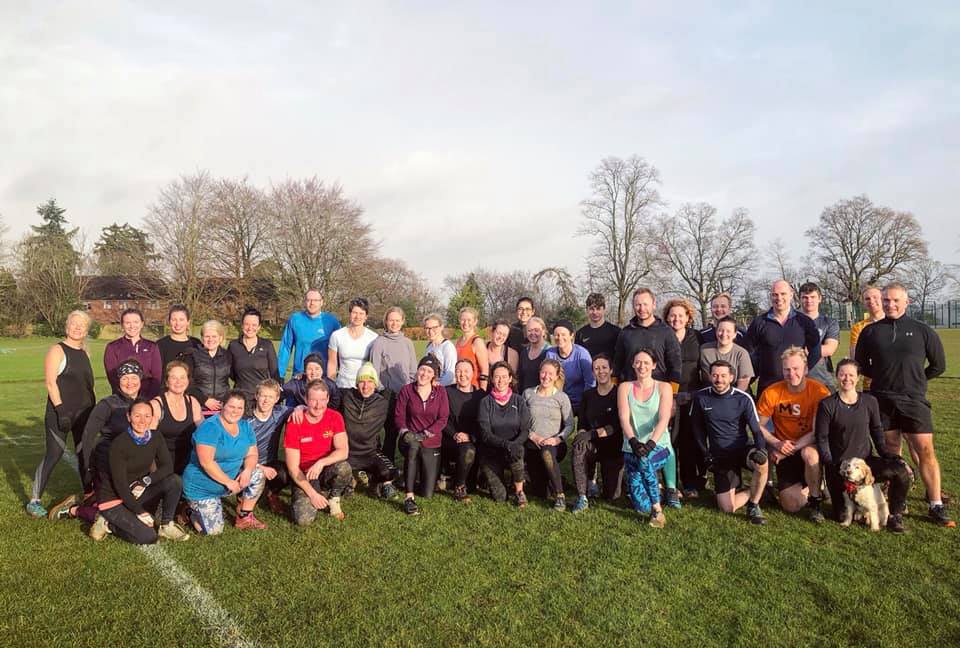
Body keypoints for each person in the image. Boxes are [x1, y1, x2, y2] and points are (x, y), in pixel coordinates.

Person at [854, 281, 952, 527]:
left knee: (925, 450)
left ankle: (935, 504)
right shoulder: (871, 331)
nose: (890, 304)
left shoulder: (922, 330)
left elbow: (939, 365)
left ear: (907, 302)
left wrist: (916, 380)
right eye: (886, 300)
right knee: (891, 451)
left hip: (913, 400)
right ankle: (898, 502)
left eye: (896, 300)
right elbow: (861, 365)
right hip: (882, 400)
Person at [815, 359, 913, 533]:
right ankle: (856, 505)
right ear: (836, 376)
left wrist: (886, 453)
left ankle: (894, 515)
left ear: (858, 377)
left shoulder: (869, 401)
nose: (847, 378)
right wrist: (830, 463)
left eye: (851, 375)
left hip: (865, 464)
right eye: (842, 374)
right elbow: (821, 438)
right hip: (840, 466)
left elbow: (876, 430)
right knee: (841, 516)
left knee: (900, 471)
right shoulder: (827, 404)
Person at [48, 359, 146, 525]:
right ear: (118, 381)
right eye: (125, 378)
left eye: (134, 377)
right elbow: (87, 438)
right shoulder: (107, 405)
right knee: (117, 515)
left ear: (141, 379)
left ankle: (93, 500)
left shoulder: (145, 405)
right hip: (109, 465)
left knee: (139, 507)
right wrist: (88, 472)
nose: (130, 383)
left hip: (134, 467)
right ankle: (74, 509)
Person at [26, 310, 97, 518]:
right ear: (67, 326)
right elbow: (50, 382)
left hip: (84, 414)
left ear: (86, 330)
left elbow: (86, 387)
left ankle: (89, 493)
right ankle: (34, 501)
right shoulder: (57, 350)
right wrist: (61, 411)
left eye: (82, 325)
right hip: (61, 413)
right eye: (74, 324)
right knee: (54, 454)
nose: (77, 328)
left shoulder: (85, 352)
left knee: (85, 454)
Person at [90, 399, 189, 543]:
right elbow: (121, 486)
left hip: (137, 491)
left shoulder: (156, 436)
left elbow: (167, 467)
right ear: (128, 417)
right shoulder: (119, 444)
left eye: (147, 416)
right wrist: (140, 512)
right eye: (137, 416)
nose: (142, 420)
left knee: (174, 481)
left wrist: (145, 481)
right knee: (148, 536)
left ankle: (166, 525)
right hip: (114, 499)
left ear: (152, 418)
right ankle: (108, 523)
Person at [756, 346, 831, 521]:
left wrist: (791, 448)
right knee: (791, 506)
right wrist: (776, 443)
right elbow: (758, 426)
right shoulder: (772, 392)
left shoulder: (819, 392)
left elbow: (816, 431)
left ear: (805, 369)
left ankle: (815, 501)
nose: (792, 374)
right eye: (787, 369)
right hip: (784, 449)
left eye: (796, 369)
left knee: (810, 454)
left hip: (804, 446)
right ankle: (816, 483)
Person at [690, 360, 768, 525]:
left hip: (742, 450)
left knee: (763, 464)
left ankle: (754, 505)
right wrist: (706, 453)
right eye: (715, 375)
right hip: (720, 455)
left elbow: (756, 430)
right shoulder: (700, 397)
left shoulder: (743, 398)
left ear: (732, 377)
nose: (719, 379)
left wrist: (761, 449)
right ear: (710, 376)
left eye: (723, 375)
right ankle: (755, 490)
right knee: (727, 508)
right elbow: (697, 430)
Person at [182, 391, 268, 533]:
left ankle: (244, 516)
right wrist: (228, 482)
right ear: (222, 406)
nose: (235, 411)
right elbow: (206, 462)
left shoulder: (245, 426)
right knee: (213, 531)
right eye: (231, 407)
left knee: (257, 473)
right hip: (202, 487)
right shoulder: (210, 427)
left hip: (230, 482)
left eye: (239, 408)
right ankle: (188, 511)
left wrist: (247, 471)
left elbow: (252, 453)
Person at [617, 349, 675, 527]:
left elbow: (664, 418)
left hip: (659, 446)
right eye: (638, 362)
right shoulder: (625, 387)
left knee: (645, 461)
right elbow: (623, 418)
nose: (642, 366)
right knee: (641, 507)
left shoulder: (664, 387)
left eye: (646, 363)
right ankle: (658, 491)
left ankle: (657, 511)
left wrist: (650, 444)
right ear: (633, 364)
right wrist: (634, 441)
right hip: (631, 447)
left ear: (654, 365)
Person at [284, 380, 352, 524]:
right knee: (304, 520)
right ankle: (315, 493)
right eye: (313, 400)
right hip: (303, 475)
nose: (318, 405)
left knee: (344, 468)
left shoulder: (335, 417)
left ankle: (334, 497)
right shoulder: (295, 422)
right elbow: (292, 468)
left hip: (324, 470)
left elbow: (343, 451)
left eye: (322, 400)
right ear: (306, 400)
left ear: (328, 399)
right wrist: (312, 494)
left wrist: (321, 463)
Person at [744, 280, 821, 396]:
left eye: (783, 294)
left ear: (791, 295)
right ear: (771, 296)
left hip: (796, 386)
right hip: (768, 387)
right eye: (775, 294)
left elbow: (816, 350)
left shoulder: (804, 322)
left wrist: (803, 369)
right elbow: (747, 353)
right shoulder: (759, 323)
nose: (779, 298)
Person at [396, 356, 450, 515]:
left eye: (429, 371)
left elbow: (443, 418)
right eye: (422, 369)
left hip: (431, 441)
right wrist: (405, 432)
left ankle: (409, 476)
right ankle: (409, 497)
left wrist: (426, 434)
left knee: (427, 493)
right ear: (417, 370)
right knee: (413, 447)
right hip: (410, 438)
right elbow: (399, 416)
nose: (424, 374)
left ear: (434, 375)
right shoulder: (407, 389)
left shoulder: (440, 391)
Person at [570, 354, 624, 512]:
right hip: (593, 445)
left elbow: (616, 425)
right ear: (593, 373)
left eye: (604, 368)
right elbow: (582, 423)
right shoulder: (588, 395)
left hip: (613, 447)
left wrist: (591, 434)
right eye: (597, 368)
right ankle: (582, 495)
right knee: (579, 447)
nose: (601, 372)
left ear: (611, 370)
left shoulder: (619, 393)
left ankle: (612, 478)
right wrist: (581, 435)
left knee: (612, 495)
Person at [663, 298, 704, 500]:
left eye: (681, 315)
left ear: (688, 317)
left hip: (692, 396)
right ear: (667, 317)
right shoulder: (661, 336)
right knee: (669, 440)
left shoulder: (697, 337)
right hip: (667, 396)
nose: (676, 319)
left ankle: (689, 483)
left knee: (688, 441)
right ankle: (669, 483)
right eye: (672, 315)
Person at [477, 362, 532, 508]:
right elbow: (485, 434)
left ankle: (519, 491)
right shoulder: (485, 403)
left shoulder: (519, 401)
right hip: (491, 452)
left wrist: (513, 445)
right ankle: (491, 477)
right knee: (500, 498)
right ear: (492, 380)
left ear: (510, 379)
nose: (500, 380)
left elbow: (525, 429)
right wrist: (506, 444)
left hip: (513, 451)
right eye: (496, 377)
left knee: (517, 450)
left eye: (504, 377)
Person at [341, 362, 399, 500]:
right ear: (356, 383)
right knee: (339, 478)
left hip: (370, 452)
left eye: (370, 381)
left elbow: (408, 401)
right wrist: (300, 406)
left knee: (390, 472)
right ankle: (352, 478)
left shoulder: (384, 402)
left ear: (375, 384)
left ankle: (373, 482)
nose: (366, 386)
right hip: (347, 453)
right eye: (362, 381)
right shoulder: (346, 396)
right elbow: (325, 391)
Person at [522, 358, 574, 509]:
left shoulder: (562, 397)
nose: (546, 376)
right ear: (539, 373)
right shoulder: (528, 393)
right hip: (532, 445)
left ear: (557, 376)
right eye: (543, 372)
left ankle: (560, 495)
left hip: (554, 446)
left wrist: (558, 439)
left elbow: (570, 424)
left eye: (550, 373)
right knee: (540, 493)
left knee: (547, 453)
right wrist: (533, 436)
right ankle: (554, 481)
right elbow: (522, 422)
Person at [368, 306, 417, 462]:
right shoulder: (379, 343)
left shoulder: (408, 343)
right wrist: (383, 391)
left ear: (402, 321)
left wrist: (410, 391)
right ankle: (386, 466)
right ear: (386, 322)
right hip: (386, 394)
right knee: (390, 432)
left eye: (397, 320)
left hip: (406, 393)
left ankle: (407, 467)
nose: (394, 323)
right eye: (391, 320)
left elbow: (412, 370)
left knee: (404, 432)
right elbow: (374, 371)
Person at [244, 379, 296, 514]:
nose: (266, 400)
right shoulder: (245, 418)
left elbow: (299, 409)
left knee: (285, 473)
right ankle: (242, 499)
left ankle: (272, 494)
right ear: (256, 396)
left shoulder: (280, 413)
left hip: (269, 461)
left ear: (277, 399)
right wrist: (260, 467)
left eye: (271, 397)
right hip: (245, 462)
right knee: (250, 476)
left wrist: (301, 408)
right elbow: (237, 452)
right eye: (263, 396)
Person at [612, 288, 682, 385]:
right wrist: (614, 389)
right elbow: (617, 364)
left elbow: (675, 365)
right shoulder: (625, 333)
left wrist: (673, 394)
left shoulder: (666, 332)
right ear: (633, 306)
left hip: (659, 392)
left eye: (645, 304)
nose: (642, 309)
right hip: (631, 391)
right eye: (638, 305)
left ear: (653, 305)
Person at [442, 359, 485, 503]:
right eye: (459, 371)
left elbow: (483, 423)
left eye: (466, 371)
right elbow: (442, 419)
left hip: (473, 440)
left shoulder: (481, 396)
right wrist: (454, 434)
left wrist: (469, 436)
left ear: (473, 373)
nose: (462, 375)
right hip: (451, 439)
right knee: (467, 450)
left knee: (472, 485)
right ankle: (459, 487)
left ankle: (461, 480)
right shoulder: (447, 392)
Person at [150, 360, 203, 474]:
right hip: (162, 463)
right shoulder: (156, 405)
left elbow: (203, 432)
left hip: (188, 462)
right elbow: (148, 443)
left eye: (182, 377)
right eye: (173, 377)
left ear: (188, 380)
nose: (178, 382)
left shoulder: (193, 402)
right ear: (167, 381)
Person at [277, 289, 341, 381]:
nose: (312, 303)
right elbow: (286, 348)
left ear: (322, 302)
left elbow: (340, 349)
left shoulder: (331, 321)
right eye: (309, 300)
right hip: (299, 375)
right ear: (304, 302)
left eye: (315, 300)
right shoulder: (295, 319)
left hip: (323, 378)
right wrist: (280, 374)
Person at [104, 307, 163, 398]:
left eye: (136, 322)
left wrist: (148, 399)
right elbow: (113, 378)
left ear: (142, 324)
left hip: (147, 399)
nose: (132, 326)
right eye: (128, 323)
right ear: (122, 325)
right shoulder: (112, 347)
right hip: (122, 399)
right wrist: (127, 397)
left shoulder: (152, 347)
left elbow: (157, 377)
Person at [228, 306, 279, 411]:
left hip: (262, 400)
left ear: (259, 326)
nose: (250, 328)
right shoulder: (233, 345)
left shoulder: (267, 345)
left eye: (254, 325)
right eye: (247, 324)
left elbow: (274, 373)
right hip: (240, 399)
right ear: (242, 325)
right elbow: (231, 373)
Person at [327, 297, 378, 389]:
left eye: (361, 313)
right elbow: (332, 363)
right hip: (342, 386)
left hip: (364, 388)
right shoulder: (337, 335)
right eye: (354, 313)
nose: (357, 317)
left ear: (366, 316)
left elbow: (376, 365)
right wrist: (331, 386)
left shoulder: (373, 338)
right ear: (350, 314)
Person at [545, 320, 594, 411]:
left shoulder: (582, 354)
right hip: (558, 400)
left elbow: (590, 382)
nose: (560, 338)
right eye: (557, 335)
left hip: (580, 401)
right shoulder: (550, 354)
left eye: (563, 335)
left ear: (571, 335)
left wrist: (585, 403)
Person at [799, 282, 840, 388]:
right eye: (805, 297)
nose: (809, 301)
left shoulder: (829, 322)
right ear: (800, 299)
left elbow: (829, 348)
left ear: (820, 299)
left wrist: (799, 352)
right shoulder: (792, 322)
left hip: (823, 378)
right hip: (796, 378)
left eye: (813, 297)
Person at [698, 316, 753, 391]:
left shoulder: (742, 353)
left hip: (734, 393)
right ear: (716, 332)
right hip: (709, 393)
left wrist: (731, 399)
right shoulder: (704, 350)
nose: (724, 334)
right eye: (721, 330)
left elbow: (743, 382)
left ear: (734, 334)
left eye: (728, 331)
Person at [191, 320, 234, 415]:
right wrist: (205, 400)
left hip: (223, 408)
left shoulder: (227, 355)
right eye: (207, 336)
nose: (210, 340)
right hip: (199, 408)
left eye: (214, 336)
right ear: (202, 338)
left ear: (220, 338)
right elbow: (187, 384)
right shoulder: (193, 355)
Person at [848, 285, 884, 391]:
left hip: (895, 385)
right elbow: (856, 358)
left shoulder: (894, 323)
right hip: (870, 386)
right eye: (867, 299)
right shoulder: (858, 328)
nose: (871, 301)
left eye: (875, 297)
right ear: (863, 303)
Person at [575, 293, 621, 360]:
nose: (595, 312)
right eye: (591, 309)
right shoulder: (580, 334)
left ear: (604, 309)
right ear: (587, 310)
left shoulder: (616, 332)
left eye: (598, 309)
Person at [156, 304, 200, 373]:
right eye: (174, 320)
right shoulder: (160, 345)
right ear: (169, 322)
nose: (177, 323)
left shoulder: (196, 344)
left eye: (181, 320)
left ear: (188, 322)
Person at [455, 307, 489, 391]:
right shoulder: (458, 341)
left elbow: (484, 370)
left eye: (469, 320)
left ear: (475, 322)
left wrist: (482, 392)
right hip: (460, 388)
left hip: (474, 389)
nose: (465, 323)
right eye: (463, 320)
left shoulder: (477, 342)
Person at [423, 313, 458, 386]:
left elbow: (450, 374)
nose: (430, 331)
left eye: (434, 328)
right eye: (427, 328)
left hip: (445, 390)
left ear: (441, 327)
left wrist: (436, 388)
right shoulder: (429, 347)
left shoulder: (447, 346)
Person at [517, 316, 549, 393]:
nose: (533, 333)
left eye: (536, 330)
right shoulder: (524, 352)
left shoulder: (549, 352)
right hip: (525, 397)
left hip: (542, 399)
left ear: (543, 331)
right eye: (530, 330)